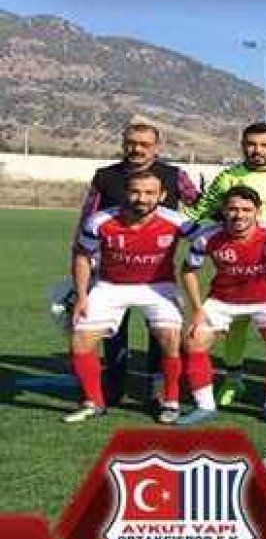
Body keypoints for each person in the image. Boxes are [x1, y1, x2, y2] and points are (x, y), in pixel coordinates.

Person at [186, 122, 266, 407]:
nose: (257, 150)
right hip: (235, 266)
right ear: (243, 146)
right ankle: (234, 381)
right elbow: (201, 212)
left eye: (264, 145)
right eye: (251, 144)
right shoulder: (227, 178)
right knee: (236, 326)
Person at [76, 123, 197, 407]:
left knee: (162, 335)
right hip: (112, 269)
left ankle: (158, 388)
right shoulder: (106, 176)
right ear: (123, 143)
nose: (137, 149)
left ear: (157, 147)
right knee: (113, 334)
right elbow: (88, 216)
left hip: (157, 271)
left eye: (144, 144)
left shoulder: (175, 175)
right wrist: (81, 266)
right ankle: (114, 385)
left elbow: (200, 205)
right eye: (131, 143)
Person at [63, 171, 193, 424]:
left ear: (162, 196)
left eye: (149, 193)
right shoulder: (100, 220)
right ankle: (94, 403)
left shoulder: (178, 221)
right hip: (110, 286)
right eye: (135, 192)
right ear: (125, 193)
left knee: (170, 338)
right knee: (80, 340)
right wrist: (81, 296)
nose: (141, 198)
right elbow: (82, 255)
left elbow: (211, 239)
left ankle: (171, 401)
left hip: (158, 287)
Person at [178, 186, 266, 426]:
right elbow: (188, 270)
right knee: (193, 341)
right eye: (232, 209)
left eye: (246, 210)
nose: (239, 215)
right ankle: (205, 405)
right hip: (222, 301)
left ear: (258, 211)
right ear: (223, 210)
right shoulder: (207, 237)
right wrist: (198, 309)